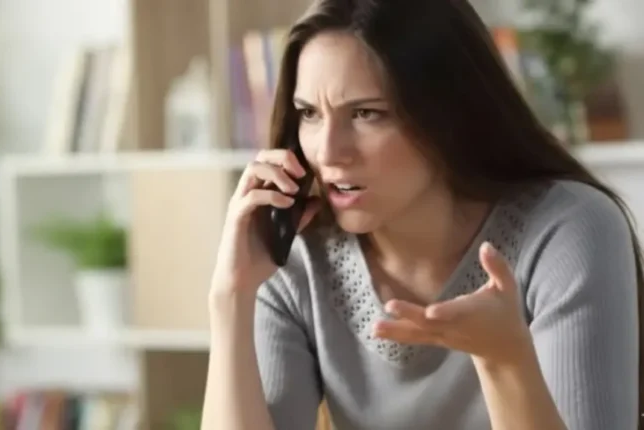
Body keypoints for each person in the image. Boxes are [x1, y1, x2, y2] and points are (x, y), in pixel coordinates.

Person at [202, 0, 643, 429]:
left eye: (366, 113)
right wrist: (231, 297)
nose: (328, 152)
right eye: (309, 113)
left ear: (450, 114)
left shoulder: (569, 231)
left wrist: (505, 362)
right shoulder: (292, 256)